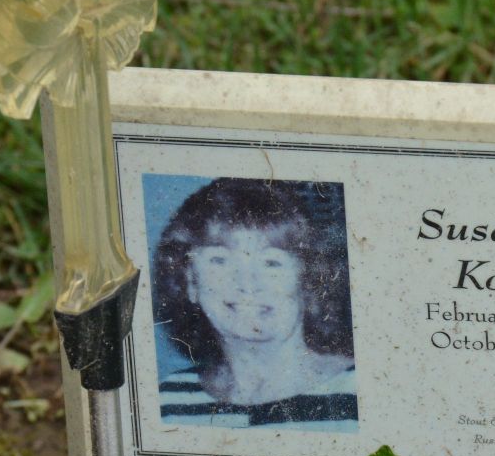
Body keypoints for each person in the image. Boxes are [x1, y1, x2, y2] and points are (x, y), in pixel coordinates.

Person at [152, 177, 357, 429]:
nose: (247, 283)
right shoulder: (168, 402)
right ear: (190, 283)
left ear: (308, 281)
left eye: (271, 262)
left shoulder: (356, 392)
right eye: (220, 260)